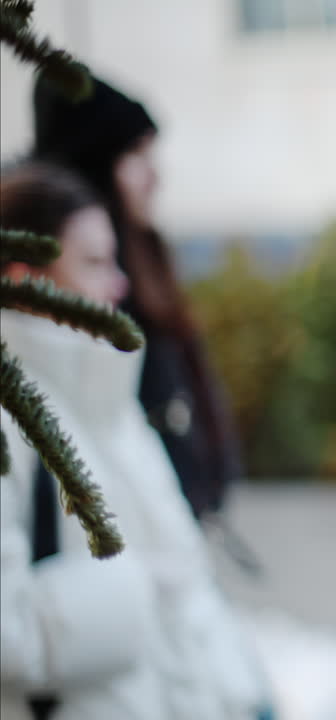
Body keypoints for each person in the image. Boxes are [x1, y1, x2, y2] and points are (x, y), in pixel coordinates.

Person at [0, 164, 274, 720]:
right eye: (95, 263)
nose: (120, 284)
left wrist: (243, 695)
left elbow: (188, 596)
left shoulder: (113, 407)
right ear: (25, 280)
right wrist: (134, 592)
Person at [28, 71, 241, 523]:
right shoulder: (79, 294)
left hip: (172, 516)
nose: (155, 176)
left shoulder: (143, 255)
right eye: (136, 157)